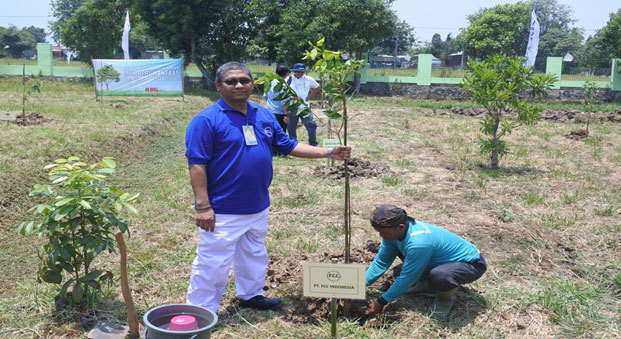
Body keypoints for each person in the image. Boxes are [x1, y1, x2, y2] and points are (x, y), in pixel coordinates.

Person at [184, 62, 351, 313]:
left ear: (253, 83)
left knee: (254, 254)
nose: (239, 85)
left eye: (244, 80)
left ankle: (251, 295)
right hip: (223, 209)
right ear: (218, 85)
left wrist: (328, 152)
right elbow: (197, 165)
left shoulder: (261, 115)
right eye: (231, 81)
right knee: (213, 263)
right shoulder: (206, 120)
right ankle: (200, 311)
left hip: (258, 204)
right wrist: (203, 207)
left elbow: (288, 145)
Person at [364, 204, 487, 319]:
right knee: (404, 275)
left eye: (383, 232)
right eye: (379, 232)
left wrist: (381, 302)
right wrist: (361, 284)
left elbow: (407, 276)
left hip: (471, 264)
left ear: (400, 227)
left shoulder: (419, 242)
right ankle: (429, 283)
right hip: (440, 261)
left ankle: (445, 298)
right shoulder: (393, 233)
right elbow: (381, 261)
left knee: (441, 275)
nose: (381, 236)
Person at [286, 63, 320, 146]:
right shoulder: (288, 80)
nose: (300, 73)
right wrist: (291, 98)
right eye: (298, 71)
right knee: (291, 128)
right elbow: (284, 93)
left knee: (311, 125)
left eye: (302, 72)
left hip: (305, 107)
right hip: (293, 107)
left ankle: (313, 143)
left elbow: (317, 88)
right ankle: (293, 145)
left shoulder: (308, 79)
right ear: (294, 71)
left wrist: (309, 96)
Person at [264, 64, 291, 133]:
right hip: (280, 114)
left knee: (270, 132)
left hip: (269, 112)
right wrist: (286, 116)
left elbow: (265, 96)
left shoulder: (269, 82)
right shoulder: (284, 86)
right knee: (280, 134)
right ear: (286, 73)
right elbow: (285, 103)